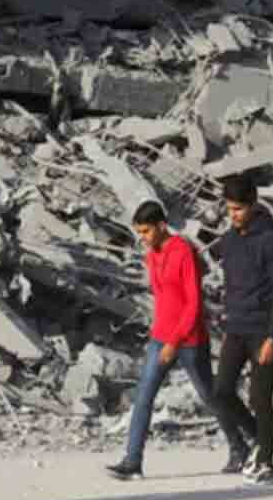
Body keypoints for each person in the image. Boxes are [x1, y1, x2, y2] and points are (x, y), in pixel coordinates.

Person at [105, 202, 252, 480]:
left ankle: (240, 446)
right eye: (140, 232)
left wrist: (174, 341)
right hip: (161, 337)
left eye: (147, 231)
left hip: (189, 340)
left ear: (162, 226)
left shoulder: (183, 251)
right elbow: (162, 299)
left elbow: (193, 304)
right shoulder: (152, 255)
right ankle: (132, 461)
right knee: (143, 397)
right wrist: (159, 334)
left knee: (209, 395)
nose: (143, 238)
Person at [210, 176, 273, 485]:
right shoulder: (229, 241)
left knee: (260, 399)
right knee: (221, 392)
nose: (234, 215)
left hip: (262, 331)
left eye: (239, 209)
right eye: (230, 209)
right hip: (236, 328)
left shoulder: (271, 242)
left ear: (254, 204)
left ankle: (267, 463)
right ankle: (260, 440)